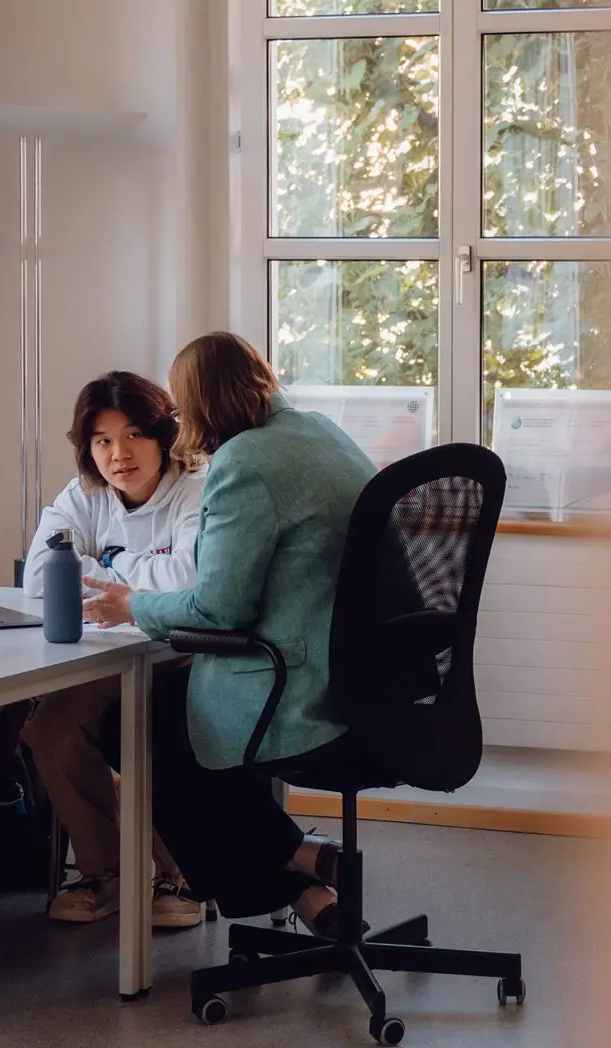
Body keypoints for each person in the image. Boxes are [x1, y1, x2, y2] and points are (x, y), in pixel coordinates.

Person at [83, 332, 373, 937]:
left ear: (203, 404)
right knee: (168, 721)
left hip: (300, 685)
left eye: (182, 410)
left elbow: (218, 609)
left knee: (136, 728)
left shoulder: (245, 462)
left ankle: (296, 871)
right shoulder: (320, 432)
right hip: (364, 678)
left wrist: (135, 605)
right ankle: (305, 880)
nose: (181, 424)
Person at [21, 370, 209, 928]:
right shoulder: (84, 493)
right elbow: (37, 576)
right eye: (102, 441)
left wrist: (106, 563)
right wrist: (132, 574)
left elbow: (191, 573)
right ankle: (106, 871)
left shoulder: (196, 485)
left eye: (132, 436)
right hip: (111, 654)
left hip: (185, 650)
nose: (117, 454)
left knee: (152, 731)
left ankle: (186, 873)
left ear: (162, 437)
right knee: (50, 728)